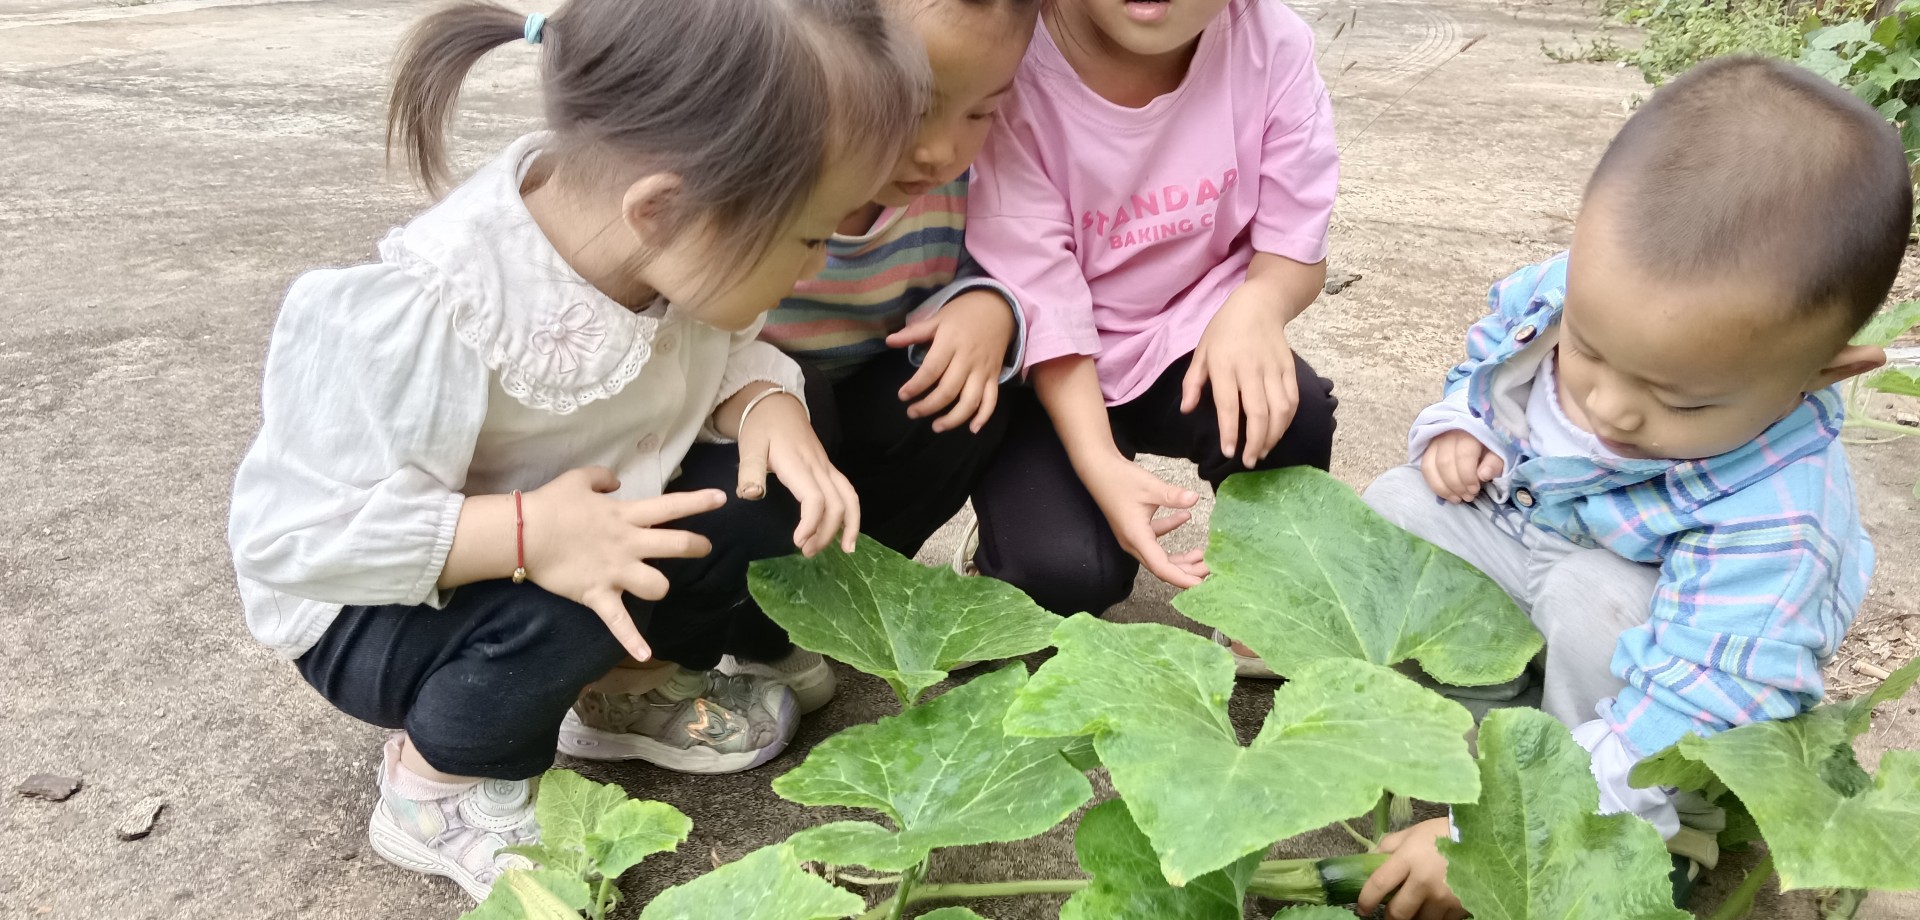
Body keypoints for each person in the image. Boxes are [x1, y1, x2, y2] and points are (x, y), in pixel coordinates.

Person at [226, 0, 922, 900]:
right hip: (379, 608)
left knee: (759, 486)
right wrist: (526, 534)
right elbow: (292, 541)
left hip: (572, 540)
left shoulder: (657, 251)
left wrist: (760, 404)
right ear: (665, 210)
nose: (818, 264)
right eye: (808, 235)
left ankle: (621, 689)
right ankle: (435, 784)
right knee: (582, 591)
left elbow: (709, 357)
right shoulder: (429, 311)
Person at [1352, 56, 1908, 920]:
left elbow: (1698, 698)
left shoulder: (1784, 522)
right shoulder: (1592, 291)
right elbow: (1499, 347)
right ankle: (1499, 723)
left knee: (1594, 601)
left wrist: (1498, 839)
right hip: (1530, 529)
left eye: (1678, 398)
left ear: (1821, 372)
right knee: (1396, 508)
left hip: (1664, 667)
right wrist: (1467, 424)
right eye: (1591, 350)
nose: (1608, 405)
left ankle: (1653, 833)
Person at [961, 0, 1340, 675]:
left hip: (1187, 341)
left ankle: (1265, 586)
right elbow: (1041, 289)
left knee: (1289, 407)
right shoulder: (1011, 57)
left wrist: (1259, 304)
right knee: (1063, 578)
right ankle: (1003, 546)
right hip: (1048, 369)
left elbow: (1295, 242)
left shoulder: (1271, 43)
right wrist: (1100, 464)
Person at [748, 0, 1042, 711]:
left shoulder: (974, 183)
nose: (940, 150)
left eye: (980, 113)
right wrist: (762, 391)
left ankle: (840, 591)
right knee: (796, 394)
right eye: (913, 107)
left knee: (975, 387)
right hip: (756, 413)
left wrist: (992, 304)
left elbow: (1036, 260)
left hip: (879, 405)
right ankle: (745, 619)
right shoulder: (757, 177)